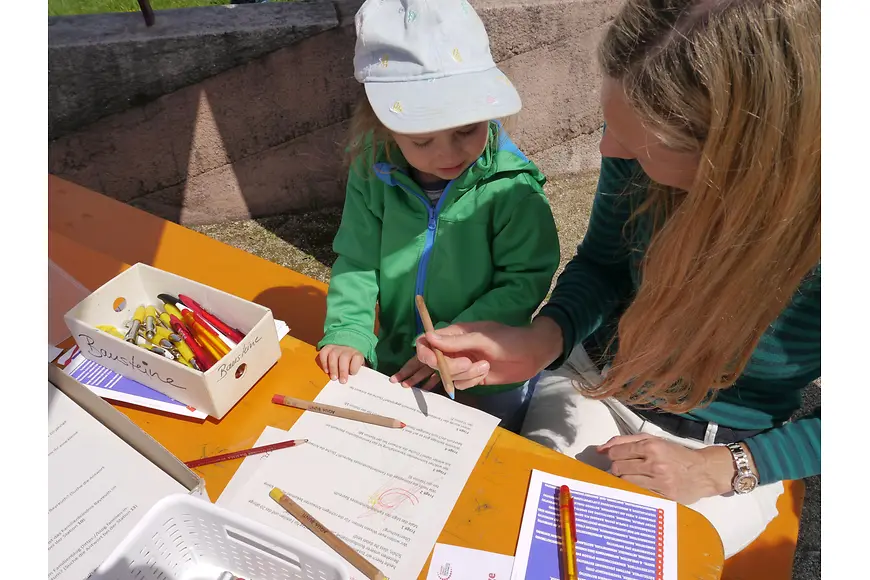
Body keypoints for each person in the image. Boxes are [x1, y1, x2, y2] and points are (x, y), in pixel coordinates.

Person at [409, 0, 820, 557]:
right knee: (514, 538)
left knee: (612, 559)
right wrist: (541, 339)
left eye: (640, 144)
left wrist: (721, 468)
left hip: (726, 448)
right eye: (612, 125)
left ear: (738, 158)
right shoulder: (637, 130)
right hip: (594, 378)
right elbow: (603, 264)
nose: (608, 149)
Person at [316, 0, 560, 431]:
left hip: (486, 371)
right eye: (422, 139)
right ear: (381, 123)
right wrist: (349, 330)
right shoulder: (372, 170)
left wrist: (453, 337)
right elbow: (357, 260)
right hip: (397, 359)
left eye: (466, 129)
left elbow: (524, 280)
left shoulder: (513, 188)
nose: (447, 155)